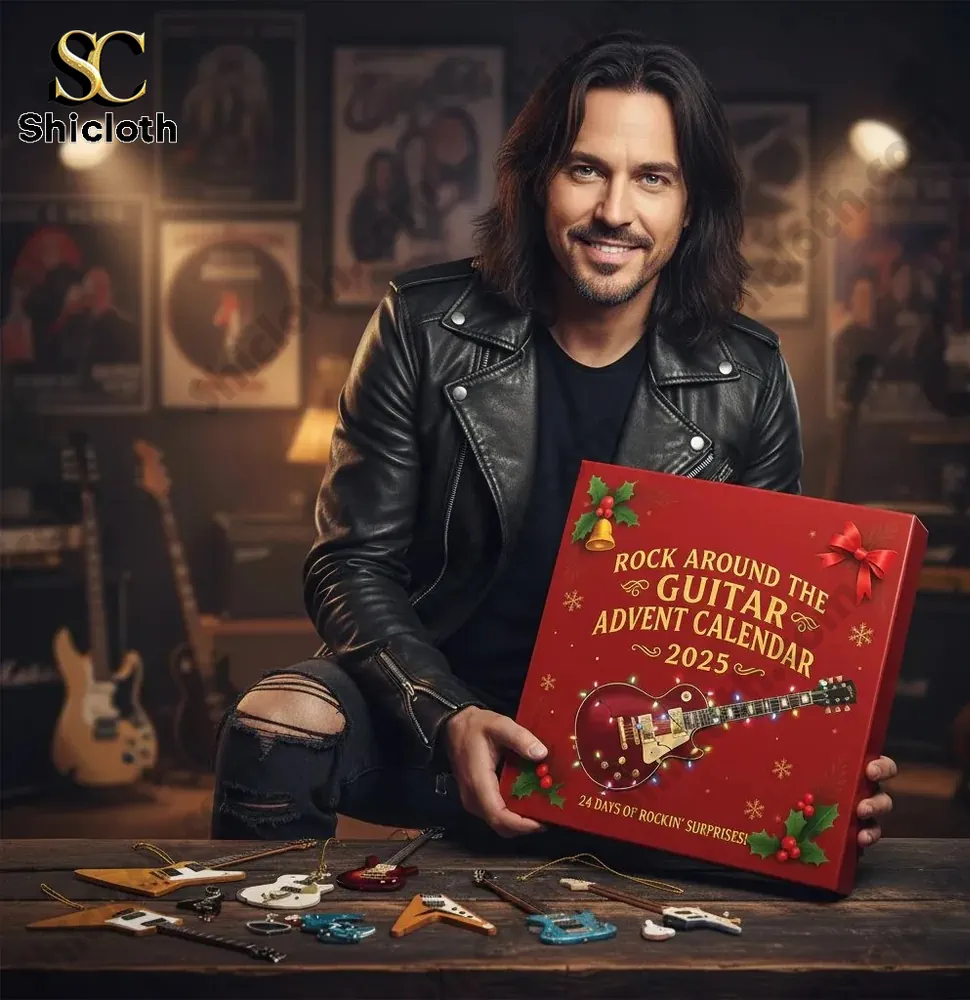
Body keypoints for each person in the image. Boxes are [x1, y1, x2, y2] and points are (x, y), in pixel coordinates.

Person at [212, 32, 896, 850]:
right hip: (429, 720)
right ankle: (257, 964)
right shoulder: (422, 324)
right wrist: (447, 713)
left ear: (692, 203)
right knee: (276, 720)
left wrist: (816, 770)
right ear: (537, 181)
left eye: (653, 178)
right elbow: (349, 564)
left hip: (636, 748)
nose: (615, 211)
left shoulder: (747, 373)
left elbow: (770, 634)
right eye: (586, 170)